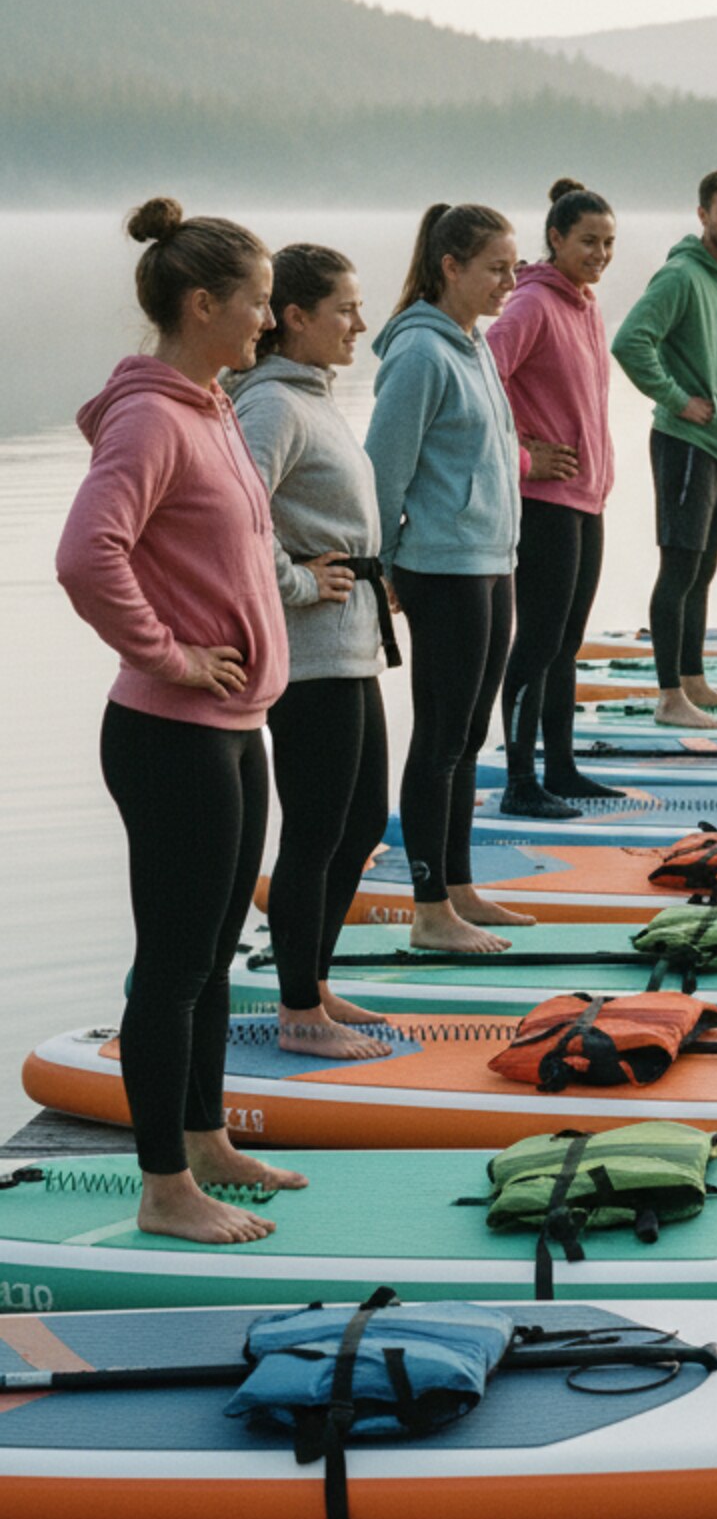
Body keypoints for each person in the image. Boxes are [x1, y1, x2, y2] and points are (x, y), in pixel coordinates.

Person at [55, 198, 306, 1243]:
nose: (268, 320)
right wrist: (169, 654)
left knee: (214, 956)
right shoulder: (153, 419)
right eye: (257, 302)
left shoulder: (209, 405)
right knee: (172, 965)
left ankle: (206, 1140)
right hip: (172, 734)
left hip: (233, 729)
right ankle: (163, 1188)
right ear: (203, 304)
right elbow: (86, 554)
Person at [229, 243, 395, 1061]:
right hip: (308, 652)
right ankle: (298, 1012)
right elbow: (236, 515)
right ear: (294, 317)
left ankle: (315, 980)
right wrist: (296, 582)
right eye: (344, 309)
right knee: (315, 831)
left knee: (361, 821)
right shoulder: (271, 405)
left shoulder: (311, 395)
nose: (359, 323)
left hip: (352, 640)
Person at [364, 203, 531, 955]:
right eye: (496, 268)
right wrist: (385, 568)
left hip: (492, 561)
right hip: (442, 569)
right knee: (439, 740)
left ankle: (459, 888)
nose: (509, 281)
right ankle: (428, 910)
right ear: (450, 267)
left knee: (468, 738)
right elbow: (382, 474)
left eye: (514, 266)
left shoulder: (473, 344)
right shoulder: (421, 354)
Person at [488, 178, 620, 818]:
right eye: (588, 241)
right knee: (537, 643)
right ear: (556, 238)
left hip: (587, 499)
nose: (600, 253)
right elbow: (480, 380)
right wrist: (523, 454)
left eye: (609, 242)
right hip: (543, 499)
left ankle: (561, 770)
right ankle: (520, 783)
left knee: (567, 643)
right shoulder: (532, 304)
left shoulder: (585, 305)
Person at [611, 167, 717, 728]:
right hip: (684, 443)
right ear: (703, 215)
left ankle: (694, 680)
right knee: (678, 570)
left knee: (704, 569)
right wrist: (676, 399)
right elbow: (631, 342)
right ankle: (669, 697)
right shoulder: (679, 276)